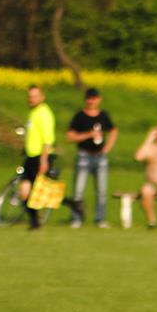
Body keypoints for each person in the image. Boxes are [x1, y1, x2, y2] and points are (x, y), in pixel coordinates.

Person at [65, 87, 118, 230]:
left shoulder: (104, 115)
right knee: (78, 190)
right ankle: (77, 218)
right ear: (85, 100)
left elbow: (113, 131)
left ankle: (100, 219)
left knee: (101, 190)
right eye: (89, 98)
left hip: (100, 157)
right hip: (84, 155)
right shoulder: (79, 116)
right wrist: (88, 135)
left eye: (94, 98)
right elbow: (70, 136)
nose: (92, 101)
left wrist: (107, 148)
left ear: (99, 99)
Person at [19, 85, 56, 231]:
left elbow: (48, 140)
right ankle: (34, 222)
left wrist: (44, 160)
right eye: (29, 96)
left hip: (41, 157)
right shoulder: (33, 113)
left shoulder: (44, 114)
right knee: (24, 191)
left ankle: (74, 205)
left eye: (34, 96)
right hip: (30, 157)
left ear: (42, 97)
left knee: (43, 194)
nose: (31, 99)